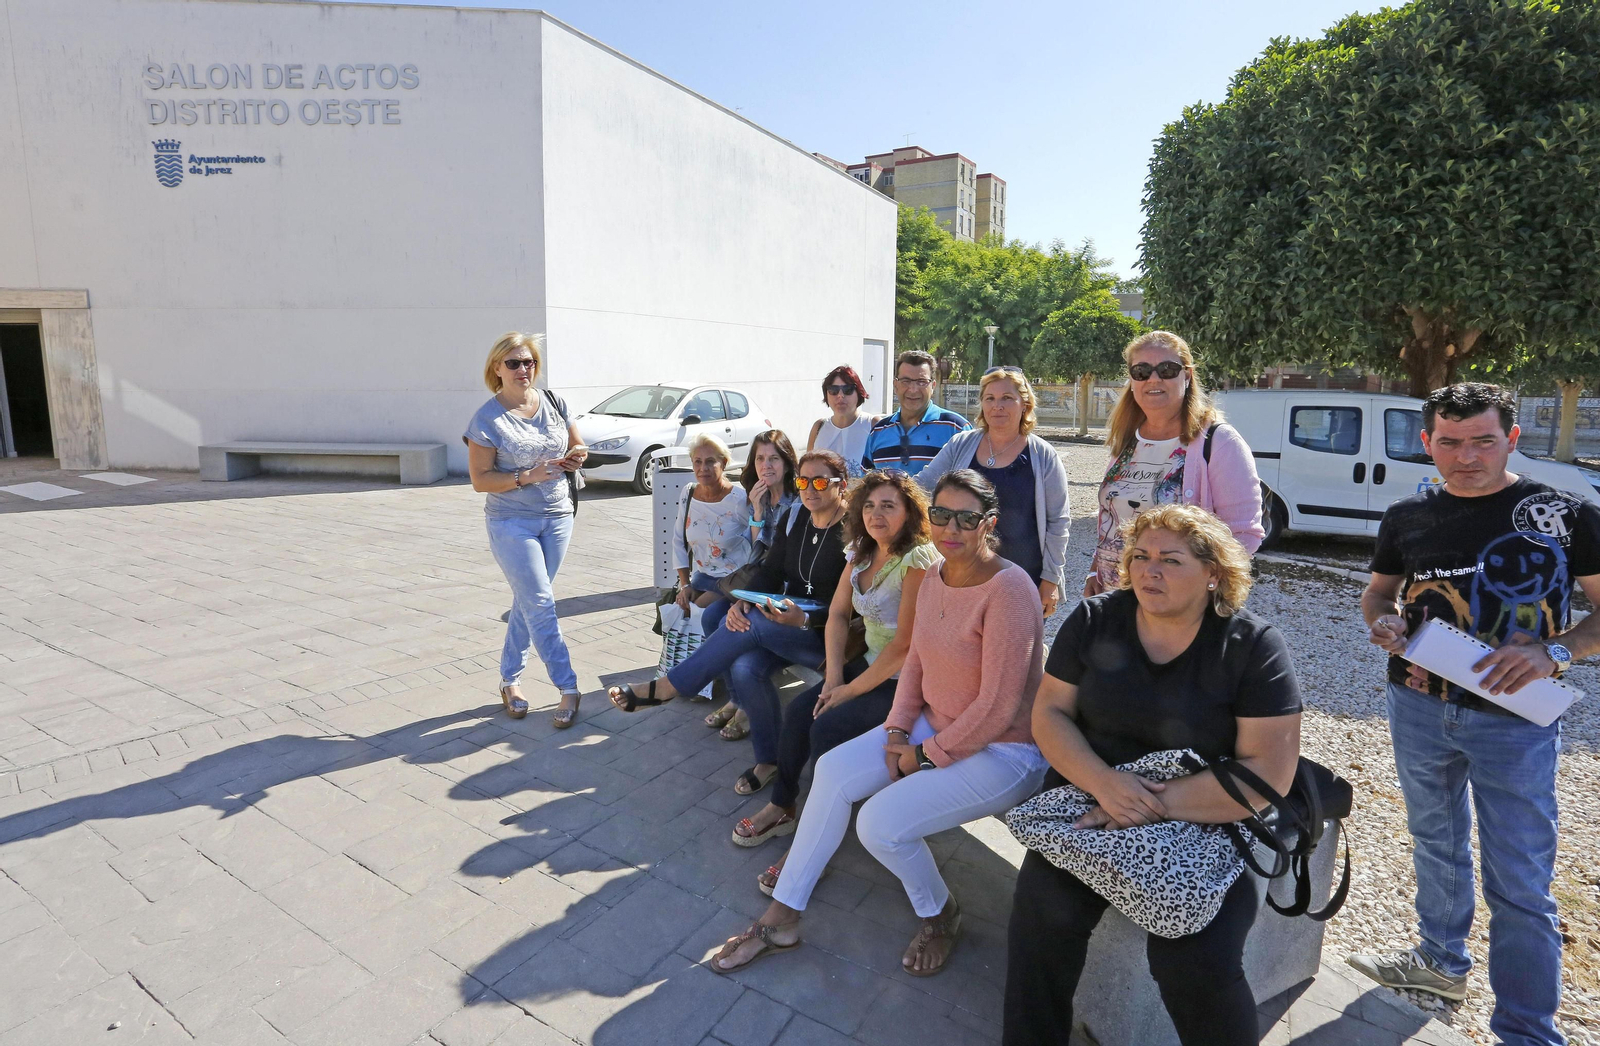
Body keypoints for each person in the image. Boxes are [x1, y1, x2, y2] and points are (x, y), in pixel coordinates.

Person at [708, 470, 1047, 978]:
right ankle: (783, 914)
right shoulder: (934, 576)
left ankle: (941, 915)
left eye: (967, 518)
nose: (951, 527)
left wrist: (924, 755)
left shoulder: (1010, 589)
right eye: (942, 515)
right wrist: (896, 729)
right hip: (937, 724)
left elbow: (999, 707)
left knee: (879, 825)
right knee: (833, 771)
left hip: (1006, 750)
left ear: (989, 523)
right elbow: (915, 662)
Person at [1351, 383, 1600, 1046]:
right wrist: (1384, 625)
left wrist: (1557, 653)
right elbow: (1378, 594)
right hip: (1417, 706)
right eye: (1451, 442)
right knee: (1435, 843)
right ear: (1428, 441)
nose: (1467, 457)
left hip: (1517, 721)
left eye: (1484, 440)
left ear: (1512, 439)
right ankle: (1439, 964)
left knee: (1519, 882)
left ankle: (1527, 1031)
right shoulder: (1406, 515)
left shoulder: (1563, 513)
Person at [1005, 504, 1302, 1046]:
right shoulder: (1096, 619)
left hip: (1206, 816)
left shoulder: (1252, 646)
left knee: (1197, 961)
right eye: (1140, 556)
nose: (1149, 570)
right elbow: (1049, 714)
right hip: (1090, 799)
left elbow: (1269, 773)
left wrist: (1145, 803)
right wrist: (1102, 783)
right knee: (1042, 922)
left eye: (1171, 559)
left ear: (1214, 572)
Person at [732, 470, 938, 896]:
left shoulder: (917, 560)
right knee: (799, 712)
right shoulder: (861, 552)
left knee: (827, 727)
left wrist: (847, 691)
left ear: (909, 512)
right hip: (866, 667)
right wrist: (835, 676)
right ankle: (783, 805)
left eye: (888, 506)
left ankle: (813, 845)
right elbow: (840, 615)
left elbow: (904, 646)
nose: (876, 514)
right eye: (869, 505)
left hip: (909, 680)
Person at [608, 451, 852, 796]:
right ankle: (769, 761)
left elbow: (855, 608)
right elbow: (771, 571)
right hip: (786, 622)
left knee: (750, 624)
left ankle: (669, 687)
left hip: (828, 637)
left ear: (841, 486)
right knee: (743, 667)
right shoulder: (797, 516)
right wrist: (742, 601)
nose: (809, 489)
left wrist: (806, 618)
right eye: (802, 481)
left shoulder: (855, 530)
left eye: (821, 481)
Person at [464, 332, 588, 728]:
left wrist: (576, 457)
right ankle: (568, 687)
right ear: (496, 368)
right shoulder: (486, 419)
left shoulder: (553, 401)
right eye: (514, 363)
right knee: (540, 602)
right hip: (511, 522)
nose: (523, 369)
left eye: (529, 362)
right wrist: (527, 476)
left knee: (530, 601)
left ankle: (508, 680)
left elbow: (577, 444)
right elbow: (480, 480)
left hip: (558, 516)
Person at [1086, 330, 1263, 597]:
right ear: (1132, 380)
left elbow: (1244, 536)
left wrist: (1200, 595)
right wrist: (1094, 571)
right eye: (1142, 371)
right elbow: (1112, 519)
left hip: (1175, 605)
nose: (1153, 378)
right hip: (1114, 598)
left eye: (1167, 369)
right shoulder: (1127, 440)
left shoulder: (1219, 442)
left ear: (1187, 375)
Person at [919, 366, 1070, 617]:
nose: (997, 406)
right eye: (990, 398)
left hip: (1023, 578)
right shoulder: (961, 444)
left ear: (1025, 404)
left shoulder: (1043, 456)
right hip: (963, 577)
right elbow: (922, 485)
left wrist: (1051, 580)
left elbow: (1058, 522)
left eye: (1007, 398)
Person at [703, 429, 799, 740]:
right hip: (755, 580)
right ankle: (736, 698)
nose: (766, 465)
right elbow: (753, 553)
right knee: (709, 616)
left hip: (781, 589)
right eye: (760, 458)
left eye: (774, 458)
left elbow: (778, 563)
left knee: (726, 620)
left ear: (786, 462)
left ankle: (745, 707)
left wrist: (748, 598)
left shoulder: (796, 501)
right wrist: (757, 513)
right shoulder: (758, 497)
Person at [670, 431, 752, 633]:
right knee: (680, 608)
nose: (702, 468)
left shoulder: (739, 500)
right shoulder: (688, 493)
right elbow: (678, 541)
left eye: (710, 462)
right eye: (697, 462)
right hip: (702, 578)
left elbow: (758, 540)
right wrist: (684, 585)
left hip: (733, 582)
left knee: (698, 611)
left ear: (723, 463)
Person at [861, 349, 971, 476]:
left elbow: (971, 485)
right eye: (906, 381)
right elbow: (866, 486)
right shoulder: (878, 432)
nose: (913, 390)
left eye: (921, 382)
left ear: (933, 386)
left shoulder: (956, 428)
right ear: (895, 385)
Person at [808, 365, 878, 478]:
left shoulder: (873, 424)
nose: (840, 395)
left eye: (848, 390)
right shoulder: (819, 427)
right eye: (833, 390)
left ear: (859, 392)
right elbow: (807, 472)